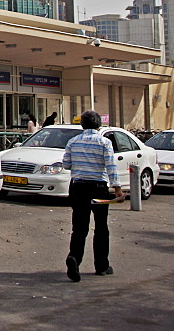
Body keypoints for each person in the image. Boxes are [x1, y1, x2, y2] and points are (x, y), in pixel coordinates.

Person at [62, 110, 123, 282]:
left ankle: (74, 257)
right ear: (99, 124)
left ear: (82, 124)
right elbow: (111, 167)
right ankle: (102, 265)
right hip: (99, 188)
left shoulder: (72, 142)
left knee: (79, 227)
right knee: (101, 226)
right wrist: (117, 190)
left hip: (78, 187)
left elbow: (66, 164)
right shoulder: (105, 142)